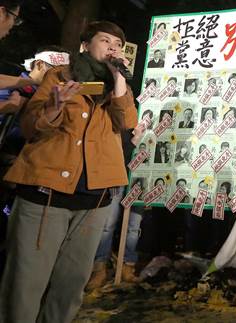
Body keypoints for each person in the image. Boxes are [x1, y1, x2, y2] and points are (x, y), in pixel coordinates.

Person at [0, 21, 138, 322]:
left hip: (93, 197)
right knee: (26, 280)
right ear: (85, 45)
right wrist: (54, 107)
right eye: (105, 41)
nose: (113, 48)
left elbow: (127, 122)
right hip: (45, 191)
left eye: (118, 44)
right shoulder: (59, 75)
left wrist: (118, 78)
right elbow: (30, 126)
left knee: (71, 283)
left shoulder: (119, 87)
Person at [86, 124, 147, 289]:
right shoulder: (120, 120)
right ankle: (99, 268)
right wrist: (133, 139)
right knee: (107, 225)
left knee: (134, 226)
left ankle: (128, 265)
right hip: (116, 176)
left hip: (141, 178)